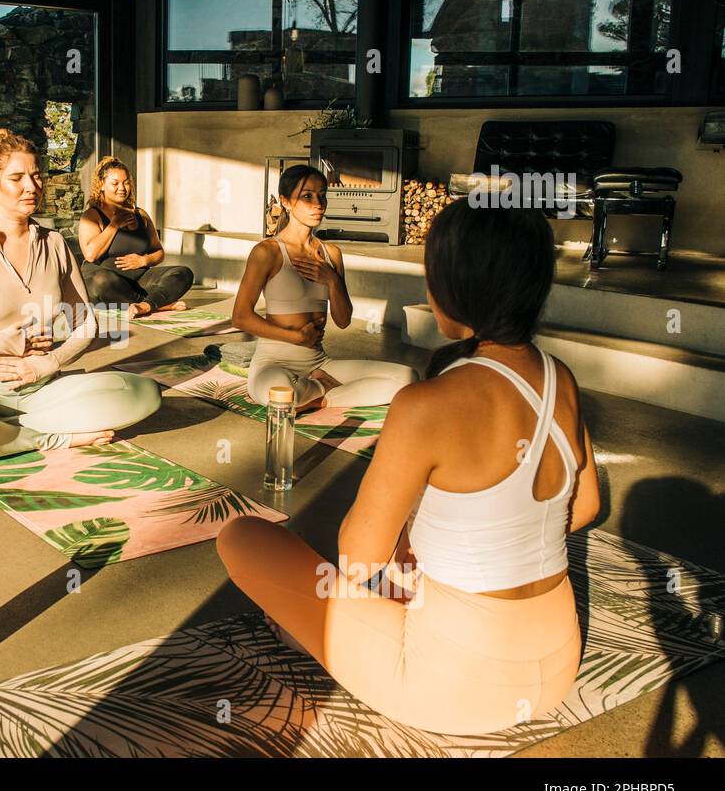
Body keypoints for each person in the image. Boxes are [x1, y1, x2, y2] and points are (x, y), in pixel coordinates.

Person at [217, 198, 600, 736]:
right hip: (559, 662)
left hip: (450, 687)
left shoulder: (428, 404)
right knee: (406, 566)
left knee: (242, 538)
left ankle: (312, 633)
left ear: (453, 290)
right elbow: (585, 508)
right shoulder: (561, 378)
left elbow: (357, 556)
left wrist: (415, 543)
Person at [0, 130, 161, 462]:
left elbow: (85, 324)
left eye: (37, 176)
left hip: (42, 385)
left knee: (145, 393)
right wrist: (3, 343)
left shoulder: (54, 244)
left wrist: (49, 363)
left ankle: (0, 429)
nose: (31, 186)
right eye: (17, 178)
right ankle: (46, 438)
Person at [234, 164, 416, 410]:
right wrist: (296, 337)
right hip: (273, 363)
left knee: (408, 378)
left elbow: (343, 320)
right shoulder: (268, 252)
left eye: (322, 195)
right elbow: (240, 317)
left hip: (319, 362)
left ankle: (319, 394)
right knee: (279, 394)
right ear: (286, 202)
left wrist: (331, 279)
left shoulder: (332, 254)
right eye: (307, 196)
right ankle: (321, 389)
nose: (318, 203)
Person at [77, 156, 193, 317]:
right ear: (101, 185)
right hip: (107, 282)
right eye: (115, 183)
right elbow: (90, 254)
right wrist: (114, 225)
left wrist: (144, 260)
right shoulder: (91, 215)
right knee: (101, 282)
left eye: (126, 182)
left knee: (183, 273)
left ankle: (144, 305)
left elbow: (159, 252)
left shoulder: (141, 214)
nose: (122, 188)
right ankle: (155, 304)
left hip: (139, 279)